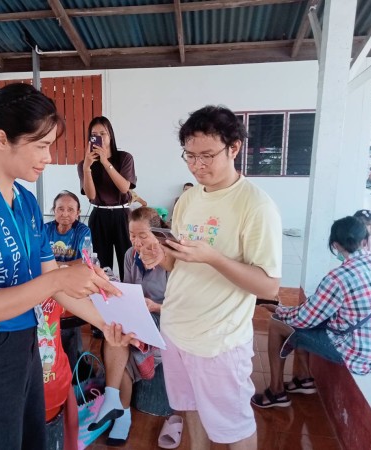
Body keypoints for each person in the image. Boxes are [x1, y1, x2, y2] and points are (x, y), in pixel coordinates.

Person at [0, 83, 135, 450]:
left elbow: (49, 278)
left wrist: (108, 323)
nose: (48, 157)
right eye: (41, 146)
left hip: (23, 345)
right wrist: (62, 278)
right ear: (2, 139)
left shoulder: (23, 201)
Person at [141, 105, 282, 450]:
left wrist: (214, 258)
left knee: (234, 426)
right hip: (176, 330)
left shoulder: (255, 205)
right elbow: (181, 266)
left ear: (234, 148)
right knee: (190, 409)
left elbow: (269, 286)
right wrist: (162, 257)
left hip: (218, 341)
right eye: (189, 156)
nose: (196, 165)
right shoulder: (188, 199)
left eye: (207, 155)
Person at [252, 216, 371, 410]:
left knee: (277, 323)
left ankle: (276, 392)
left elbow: (304, 319)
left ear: (335, 245)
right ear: (365, 241)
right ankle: (303, 379)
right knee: (309, 314)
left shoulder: (338, 277)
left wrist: (280, 310)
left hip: (356, 355)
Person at [89, 206, 175, 446]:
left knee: (120, 344)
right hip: (139, 317)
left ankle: (119, 410)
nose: (136, 242)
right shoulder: (130, 255)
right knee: (115, 332)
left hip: (165, 320)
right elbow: (129, 290)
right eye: (132, 235)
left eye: (143, 236)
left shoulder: (171, 260)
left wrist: (155, 306)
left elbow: (183, 306)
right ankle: (118, 407)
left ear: (158, 233)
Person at [77, 116, 137, 281]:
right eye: (94, 135)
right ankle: (103, 295)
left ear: (111, 135)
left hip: (122, 214)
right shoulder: (84, 164)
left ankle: (130, 294)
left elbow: (124, 188)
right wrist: (87, 168)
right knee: (101, 264)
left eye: (103, 133)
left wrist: (105, 162)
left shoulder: (124, 158)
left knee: (128, 259)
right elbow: (91, 196)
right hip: (99, 215)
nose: (99, 138)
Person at [44, 190, 91, 371]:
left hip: (71, 284)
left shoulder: (83, 231)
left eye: (70, 210)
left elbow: (85, 260)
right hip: (48, 285)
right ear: (53, 211)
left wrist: (56, 265)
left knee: (70, 325)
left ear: (78, 213)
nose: (65, 214)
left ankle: (74, 366)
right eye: (60, 209)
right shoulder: (45, 230)